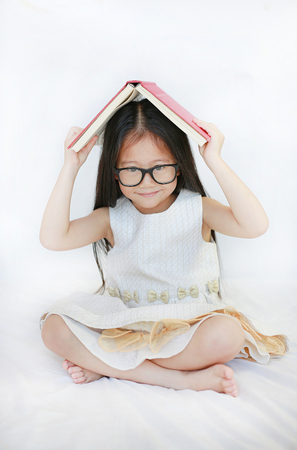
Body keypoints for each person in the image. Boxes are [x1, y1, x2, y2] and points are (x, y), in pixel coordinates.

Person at [40, 99, 287, 397]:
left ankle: (106, 364)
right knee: (53, 328)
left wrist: (215, 160)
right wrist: (71, 166)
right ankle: (177, 379)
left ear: (180, 166)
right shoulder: (112, 218)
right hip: (127, 324)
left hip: (189, 325)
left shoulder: (199, 209)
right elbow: (53, 239)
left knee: (227, 335)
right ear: (114, 171)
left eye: (160, 168)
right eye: (131, 169)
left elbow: (255, 225)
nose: (147, 183)